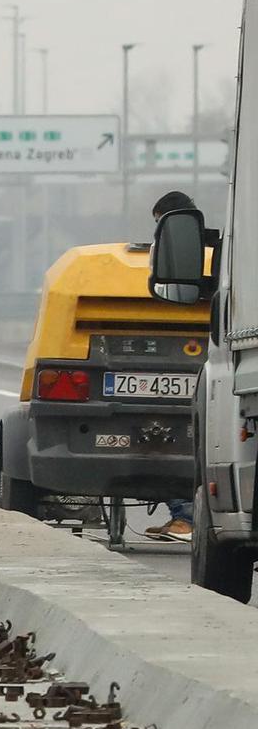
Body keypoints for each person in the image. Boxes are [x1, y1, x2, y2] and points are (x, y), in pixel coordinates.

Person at [145, 190, 199, 542]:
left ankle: (187, 517)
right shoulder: (196, 248)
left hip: (189, 358)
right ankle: (182, 515)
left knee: (174, 442)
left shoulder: (184, 255)